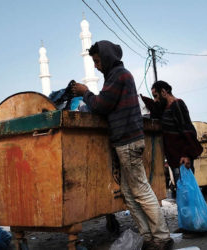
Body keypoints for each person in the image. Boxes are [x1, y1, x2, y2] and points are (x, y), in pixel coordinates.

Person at [71, 41, 173, 250]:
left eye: (98, 61)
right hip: (126, 141)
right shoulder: (117, 76)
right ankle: (148, 237)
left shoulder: (118, 76)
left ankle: (162, 237)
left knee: (141, 190)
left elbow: (101, 105)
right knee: (129, 192)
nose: (97, 66)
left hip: (127, 142)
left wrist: (85, 92)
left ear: (106, 58)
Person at [140, 81, 203, 187]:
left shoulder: (177, 105)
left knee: (187, 192)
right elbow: (154, 108)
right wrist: (141, 98)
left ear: (164, 92)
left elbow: (188, 131)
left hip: (182, 159)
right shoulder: (164, 109)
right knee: (182, 193)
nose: (155, 100)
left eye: (156, 96)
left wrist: (186, 155)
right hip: (174, 160)